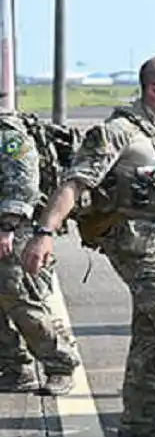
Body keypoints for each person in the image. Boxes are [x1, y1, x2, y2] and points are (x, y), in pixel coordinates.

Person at [22, 55, 155, 437]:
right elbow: (75, 184)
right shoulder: (119, 132)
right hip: (134, 238)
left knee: (154, 329)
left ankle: (143, 421)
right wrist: (44, 233)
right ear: (154, 90)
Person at [0, 111, 82, 396]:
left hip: (14, 229)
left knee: (22, 301)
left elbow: (23, 183)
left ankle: (60, 365)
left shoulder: (9, 134)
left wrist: (7, 226)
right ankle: (14, 368)